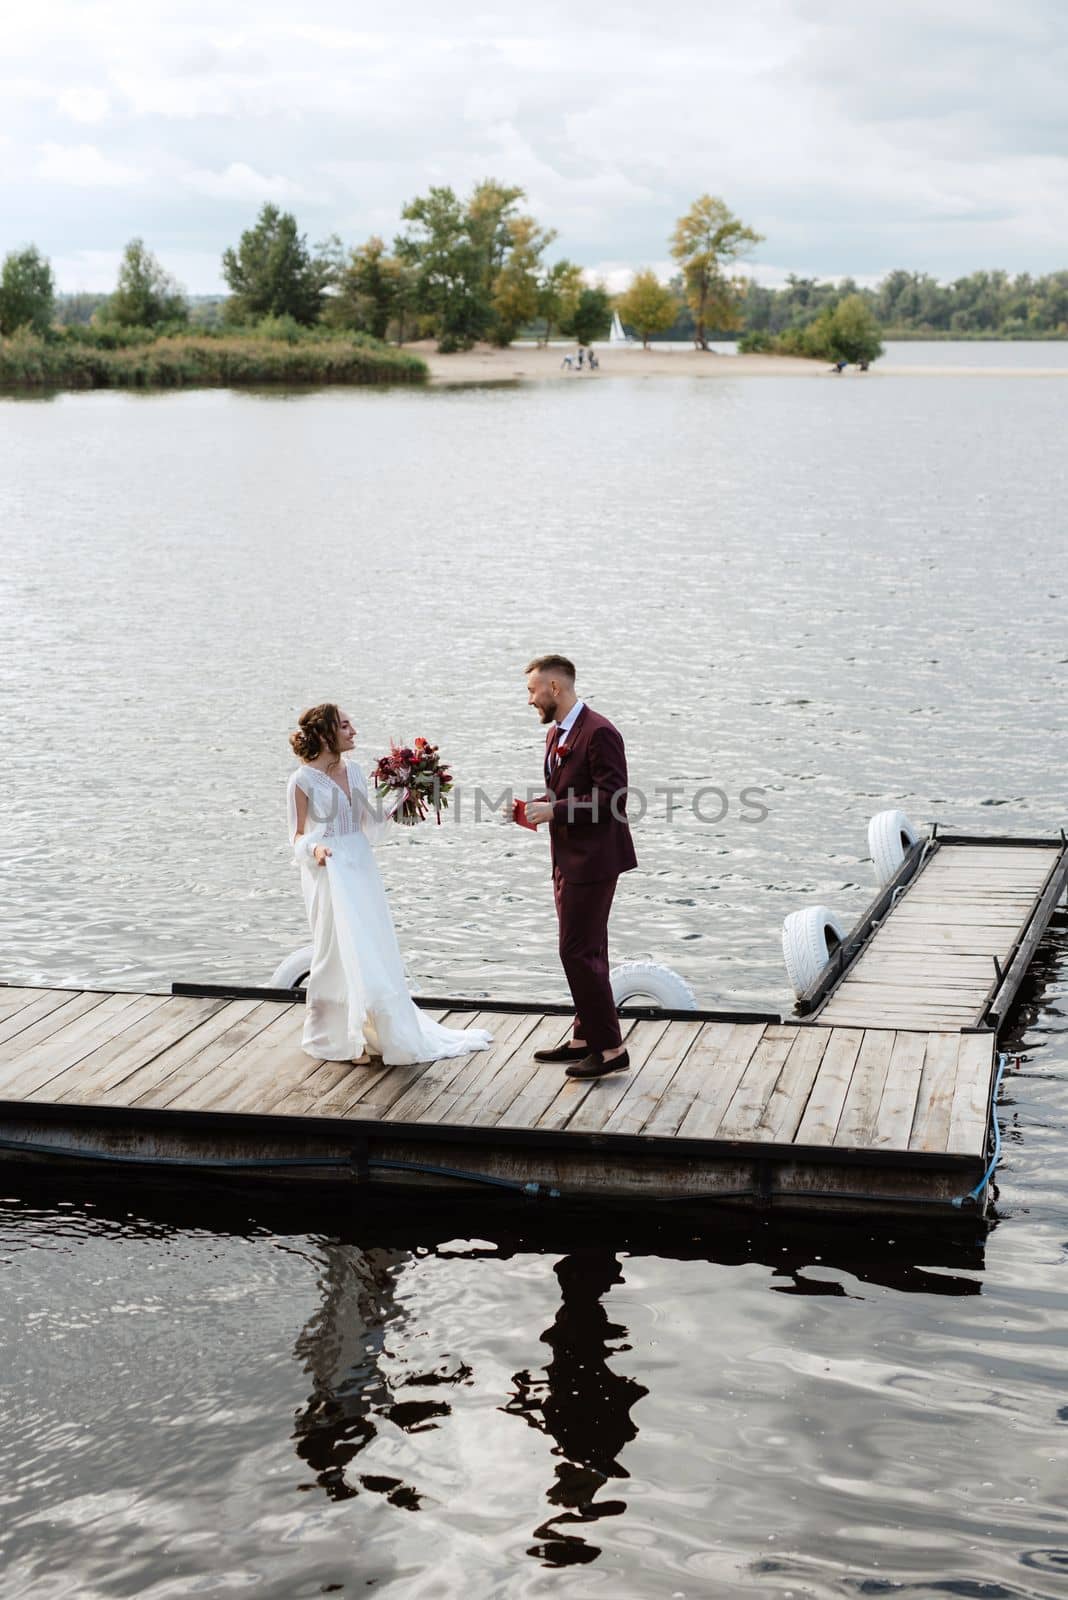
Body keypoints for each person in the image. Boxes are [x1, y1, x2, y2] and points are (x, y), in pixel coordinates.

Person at [286, 703, 492, 1066]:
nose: (354, 731)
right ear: (324, 734)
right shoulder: (301, 781)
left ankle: (371, 1034)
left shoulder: (353, 772)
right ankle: (336, 1038)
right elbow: (296, 837)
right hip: (329, 869)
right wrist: (314, 848)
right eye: (346, 725)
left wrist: (406, 793)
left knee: (371, 947)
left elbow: (373, 825)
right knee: (334, 951)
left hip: (360, 866)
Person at [518, 657, 638, 1079]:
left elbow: (614, 799)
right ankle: (584, 1038)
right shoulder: (558, 732)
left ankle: (611, 1050)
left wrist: (554, 810)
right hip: (567, 858)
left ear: (554, 686)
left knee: (576, 952)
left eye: (533, 691)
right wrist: (533, 812)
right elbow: (569, 792)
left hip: (595, 861)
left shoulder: (599, 731)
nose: (530, 699)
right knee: (589, 950)